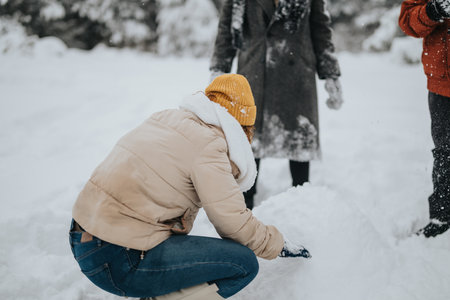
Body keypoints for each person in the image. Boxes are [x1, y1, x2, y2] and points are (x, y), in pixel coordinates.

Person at [69, 74, 311, 300]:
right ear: (242, 126)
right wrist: (278, 245)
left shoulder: (165, 118)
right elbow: (233, 223)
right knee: (243, 263)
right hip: (118, 258)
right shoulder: (210, 144)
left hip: (83, 238)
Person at [210, 0, 344, 209]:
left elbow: (320, 28)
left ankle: (302, 206)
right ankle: (244, 209)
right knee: (249, 142)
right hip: (254, 72)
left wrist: (331, 75)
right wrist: (219, 68)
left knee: (299, 140)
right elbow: (227, 27)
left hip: (297, 73)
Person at [399, 0, 450, 237]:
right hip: (443, 84)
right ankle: (442, 218)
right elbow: (408, 22)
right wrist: (433, 11)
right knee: (445, 152)